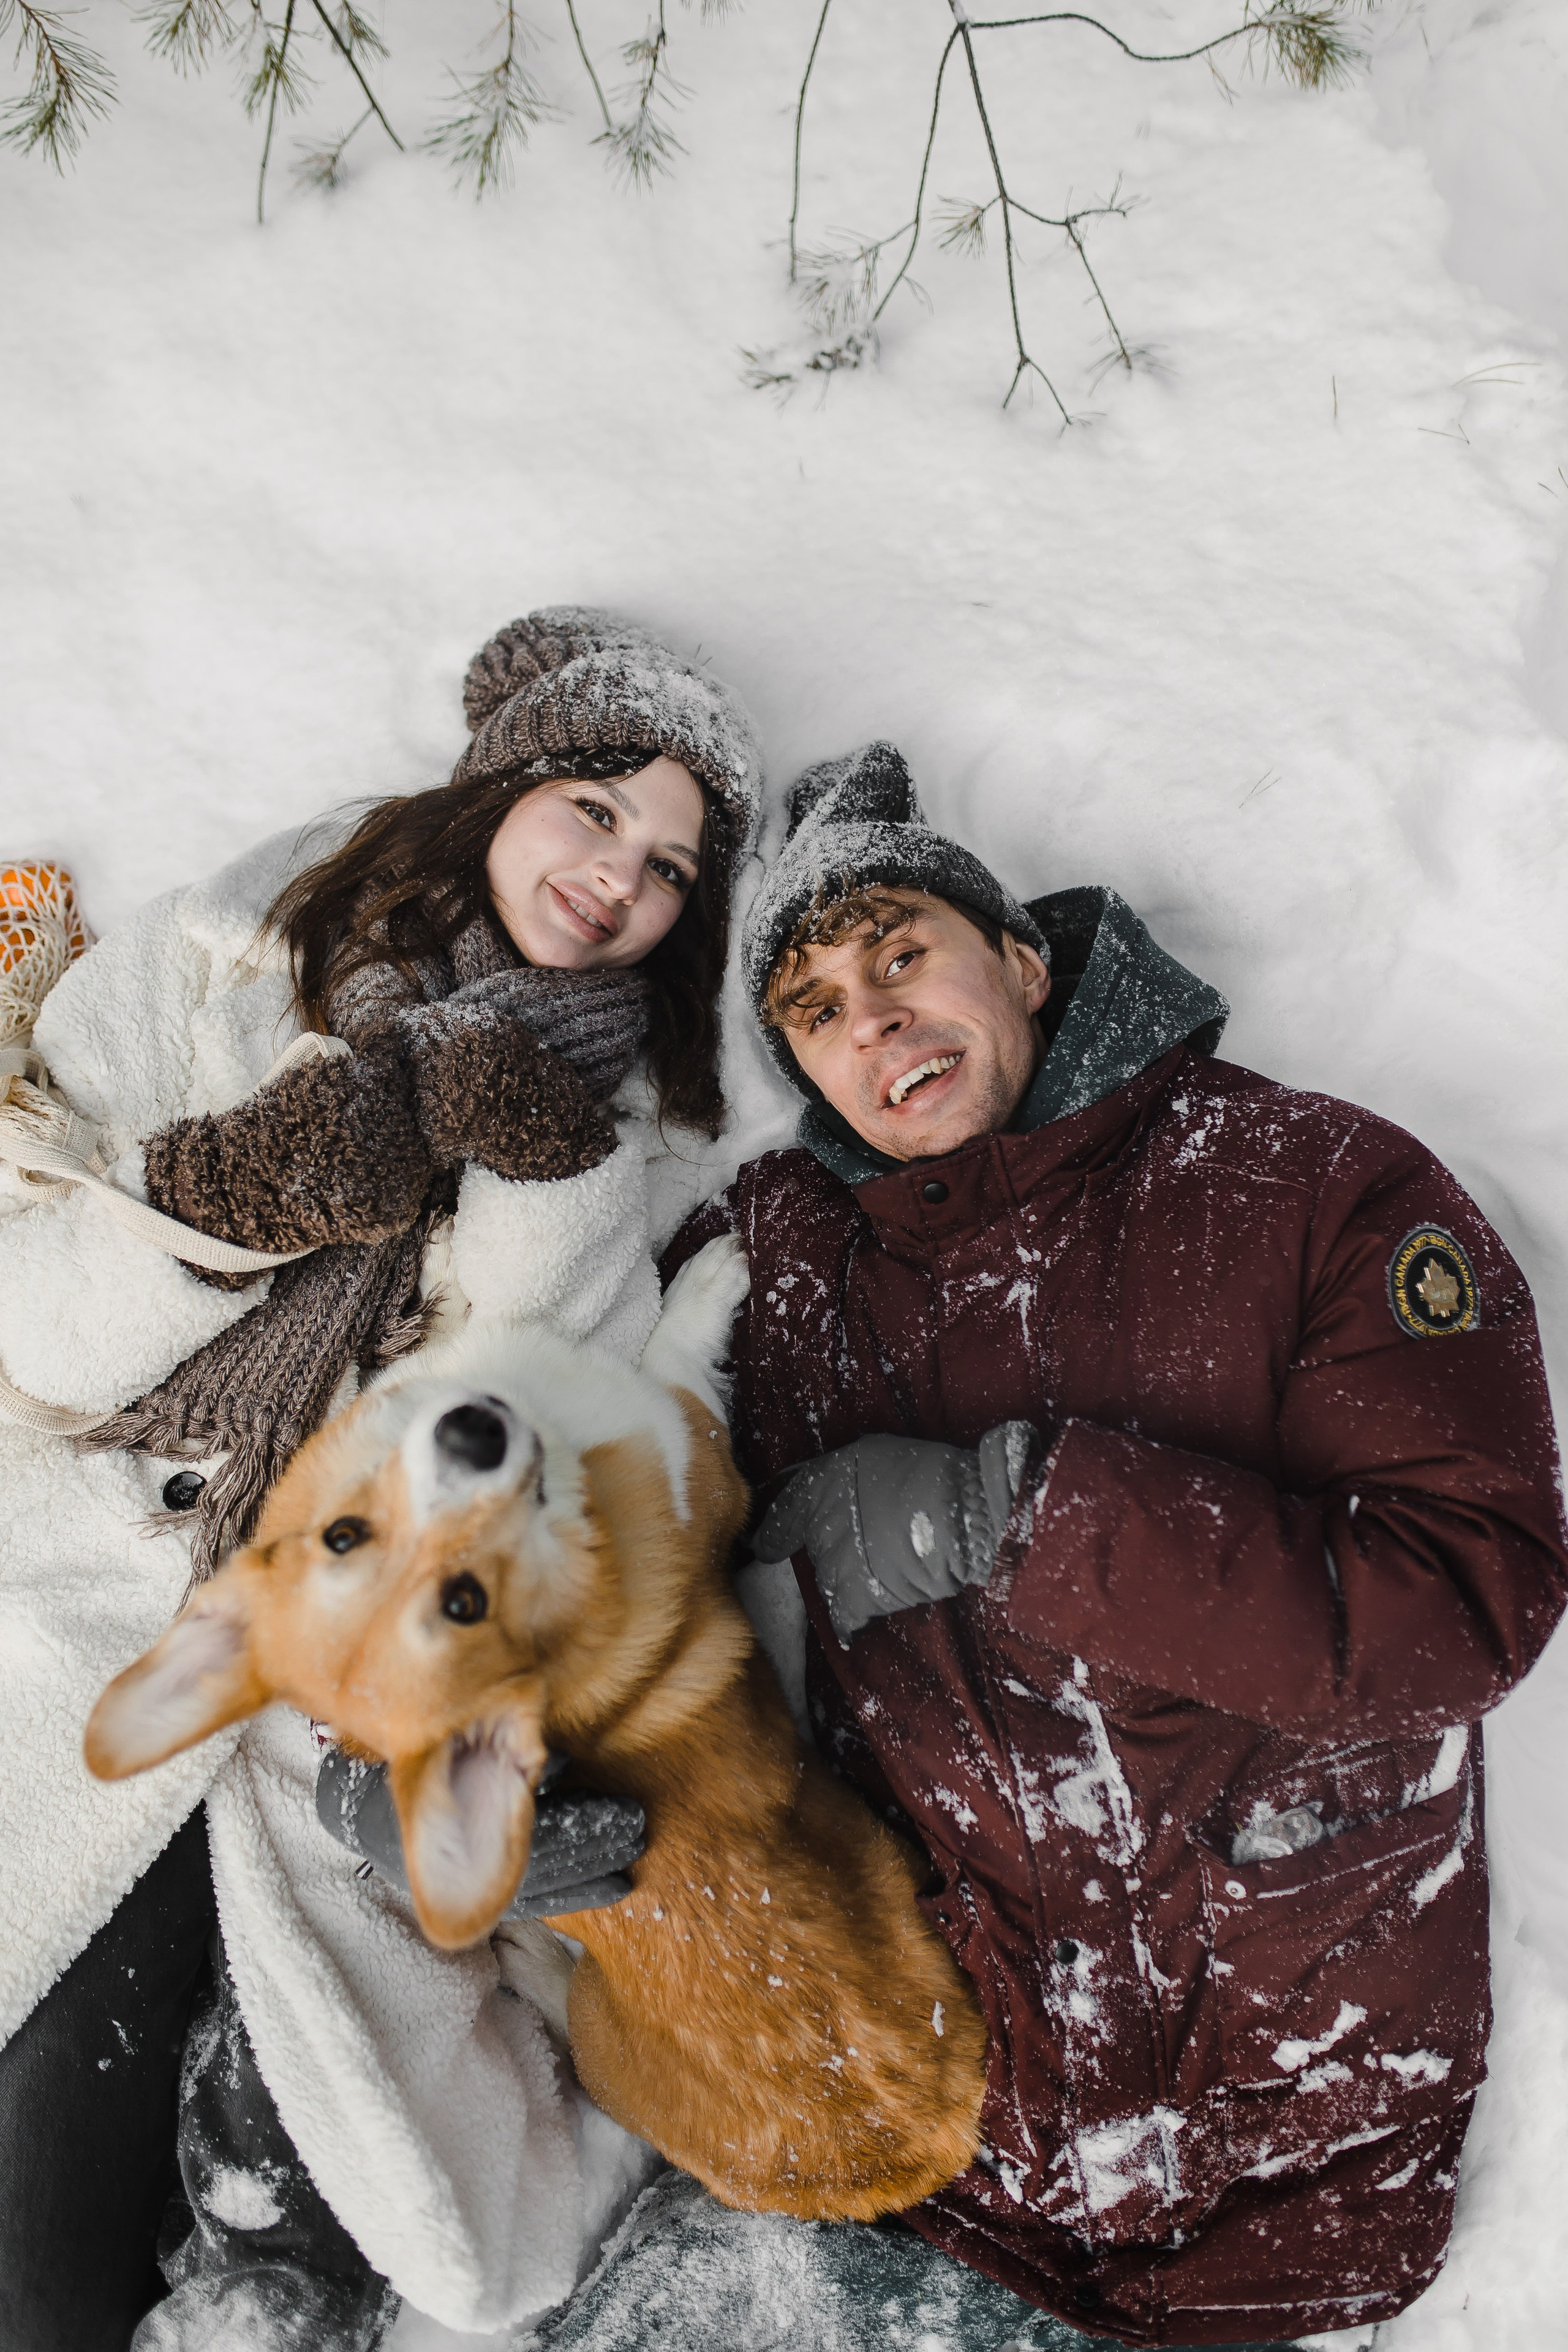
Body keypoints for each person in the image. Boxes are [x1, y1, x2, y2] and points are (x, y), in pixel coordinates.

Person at [647, 740, 1568, 2349]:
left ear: (1020, 955)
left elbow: (1469, 1599)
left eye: (898, 955)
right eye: (811, 1010)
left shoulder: (1317, 1187)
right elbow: (552, 1457)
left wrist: (1013, 1515)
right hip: (926, 2144)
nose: (868, 1022)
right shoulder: (781, 1267)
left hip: (1293, 2174)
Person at [0, 608, 760, 2352]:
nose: (617, 880)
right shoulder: (210, 971)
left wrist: (548, 1177)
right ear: (497, 785)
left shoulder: (616, 1124)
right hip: (62, 1611)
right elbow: (27, 1347)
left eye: (666, 867)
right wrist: (221, 1203)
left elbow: (526, 1444)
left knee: (289, 2232)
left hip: (306, 1726)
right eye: (593, 811)